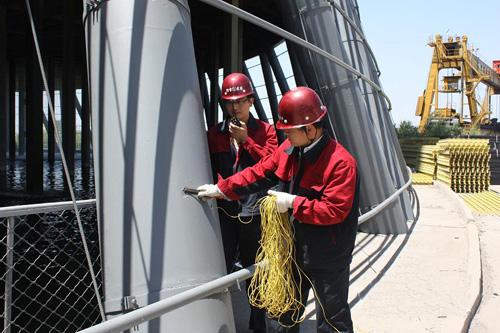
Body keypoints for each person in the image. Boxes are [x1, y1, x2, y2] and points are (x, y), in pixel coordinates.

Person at [198, 86, 359, 333]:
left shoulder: (340, 162)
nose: (285, 136)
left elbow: (334, 210)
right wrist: (222, 189)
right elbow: (258, 172)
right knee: (286, 313)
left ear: (311, 128)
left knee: (332, 319)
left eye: (289, 131)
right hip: (293, 249)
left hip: (329, 255)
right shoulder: (289, 151)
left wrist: (294, 203)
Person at [207, 72, 277, 333]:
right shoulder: (214, 134)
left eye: (239, 101)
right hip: (225, 212)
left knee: (256, 272)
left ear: (251, 100)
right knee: (220, 268)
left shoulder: (267, 132)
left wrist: (246, 141)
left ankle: (258, 325)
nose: (234, 107)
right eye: (229, 103)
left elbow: (271, 168)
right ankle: (219, 323)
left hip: (255, 214)